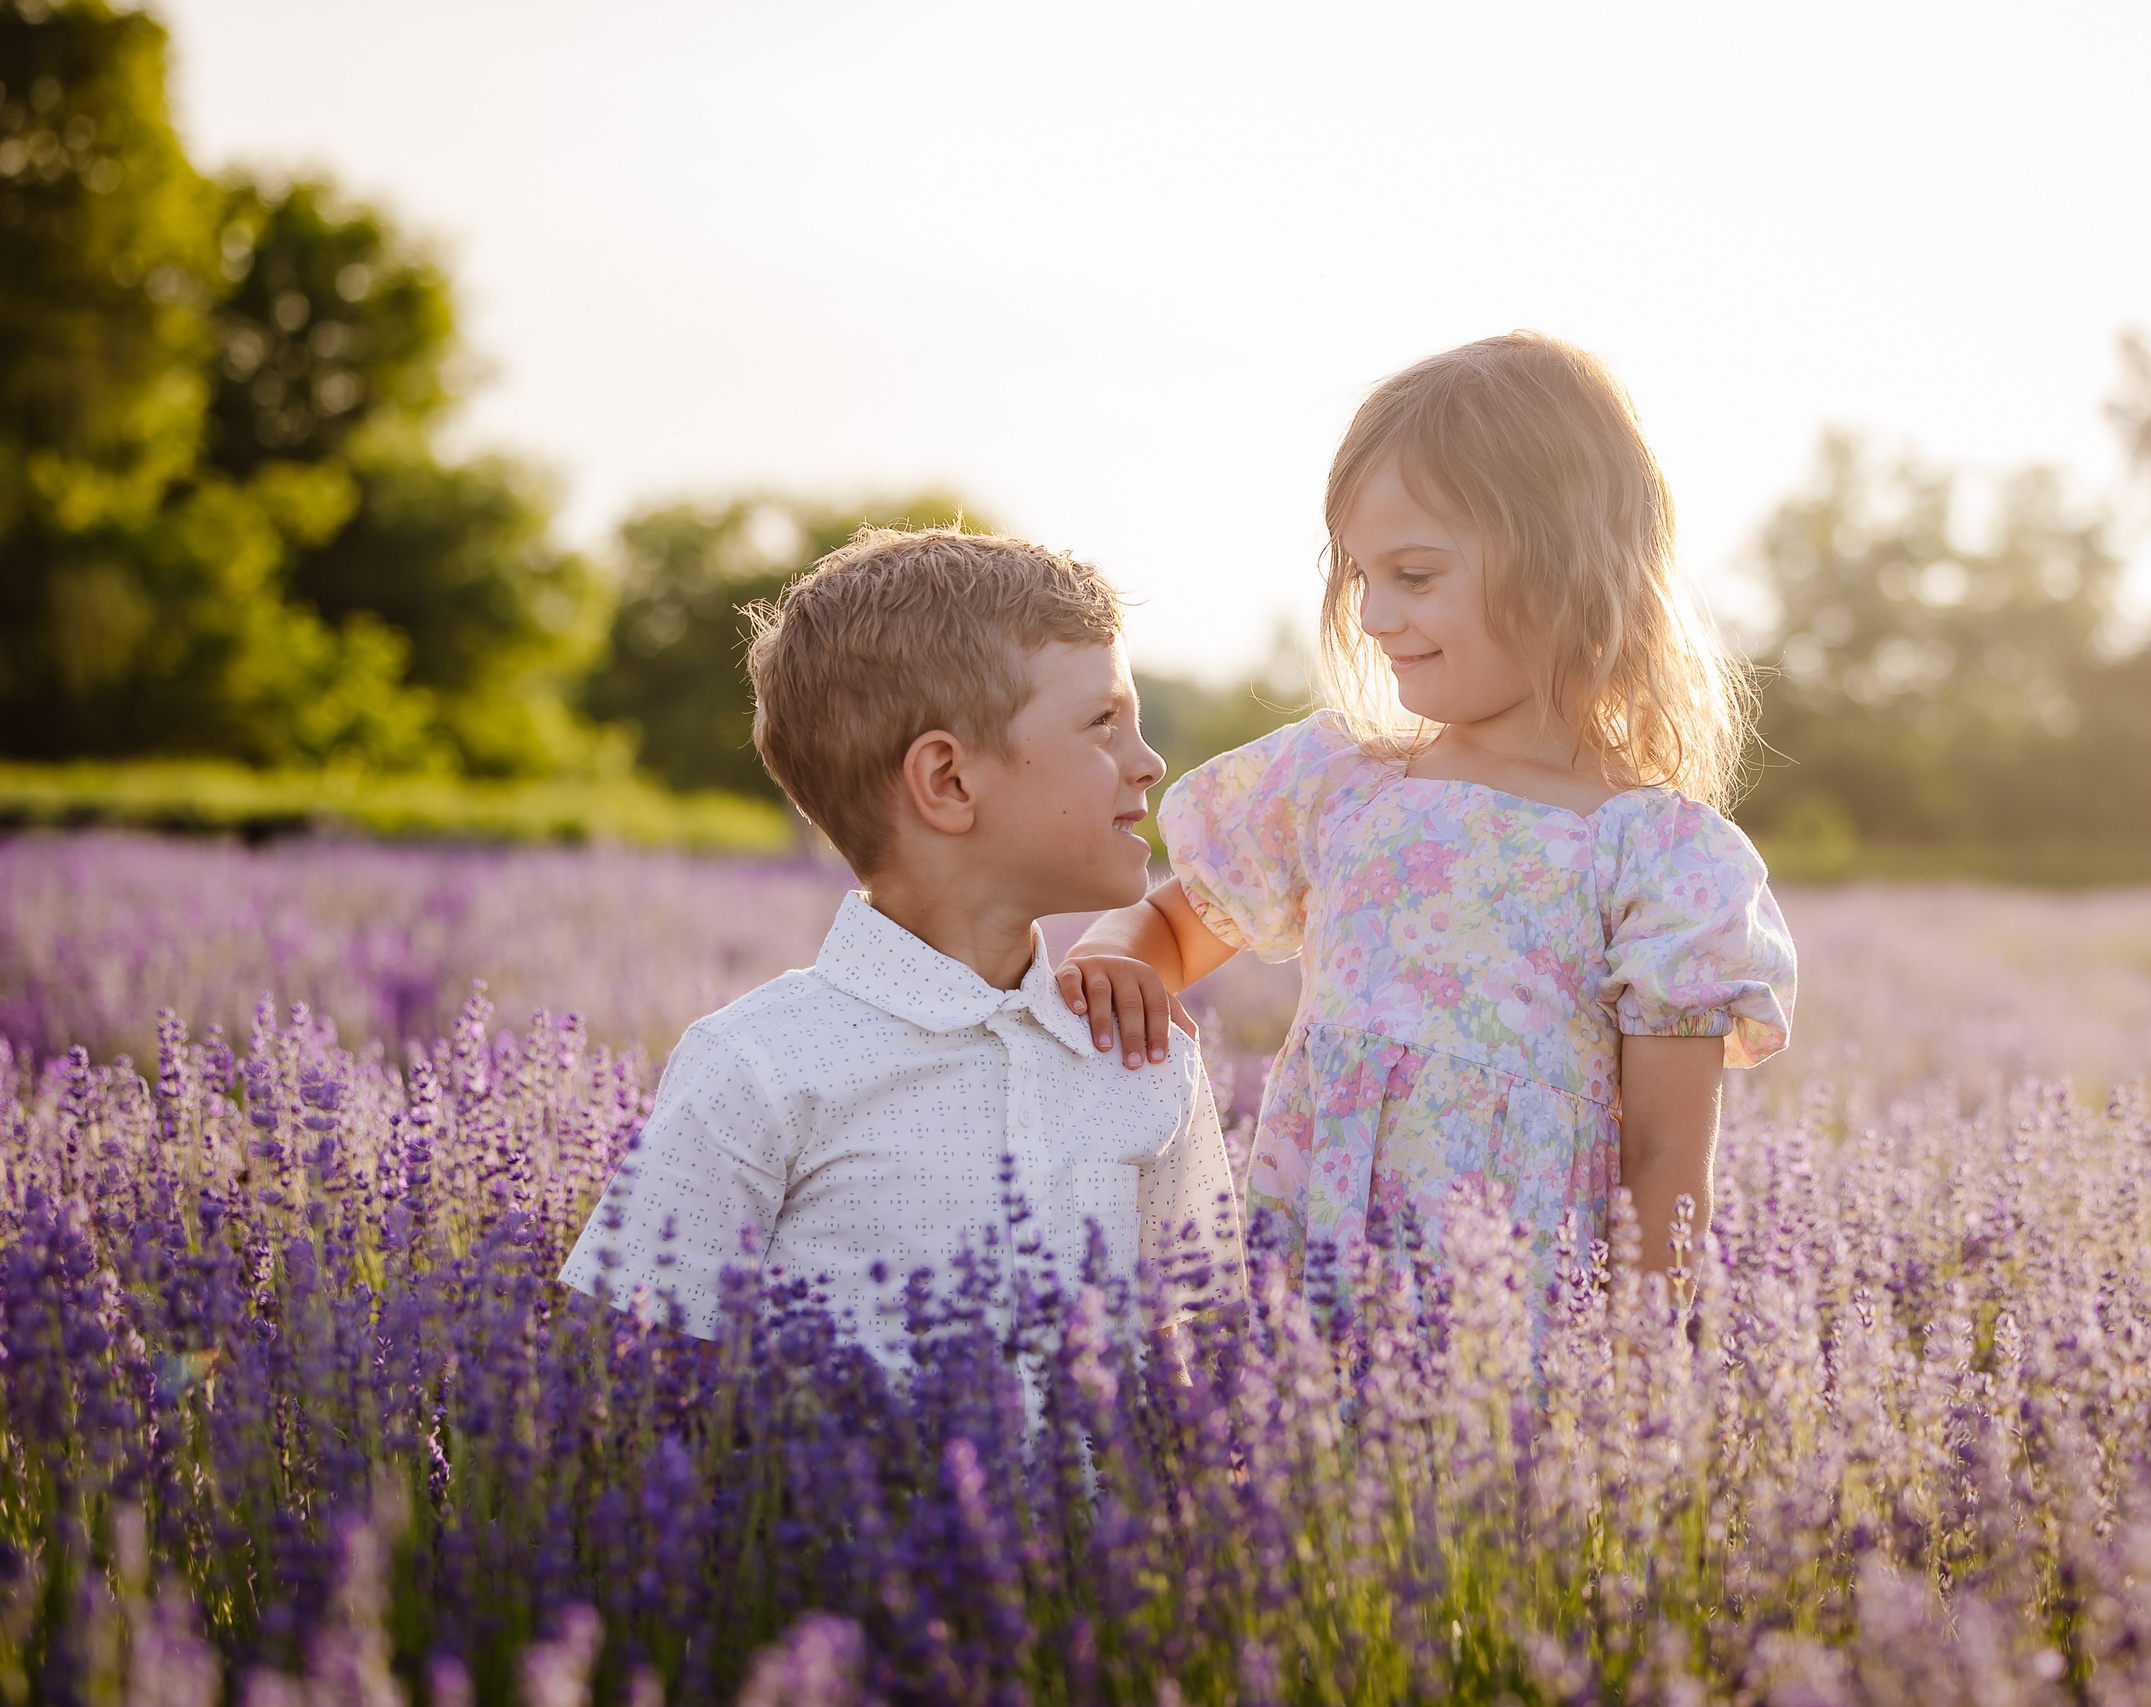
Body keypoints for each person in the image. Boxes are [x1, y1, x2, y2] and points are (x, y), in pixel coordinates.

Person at [1061, 333, 1795, 1297]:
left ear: (1565, 566)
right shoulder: (1342, 784)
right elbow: (1173, 924)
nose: (1372, 616)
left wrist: (1639, 1358)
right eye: (1361, 577)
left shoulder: (1663, 857)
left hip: (1519, 1312)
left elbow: (1665, 1162)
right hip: (1314, 1280)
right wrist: (1118, 954)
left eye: (1412, 576)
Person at [559, 529, 1238, 1355]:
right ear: (948, 781)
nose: (1151, 761)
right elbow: (630, 1369)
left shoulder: (1145, 1054)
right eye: (1103, 723)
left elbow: (1183, 1362)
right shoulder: (758, 1066)